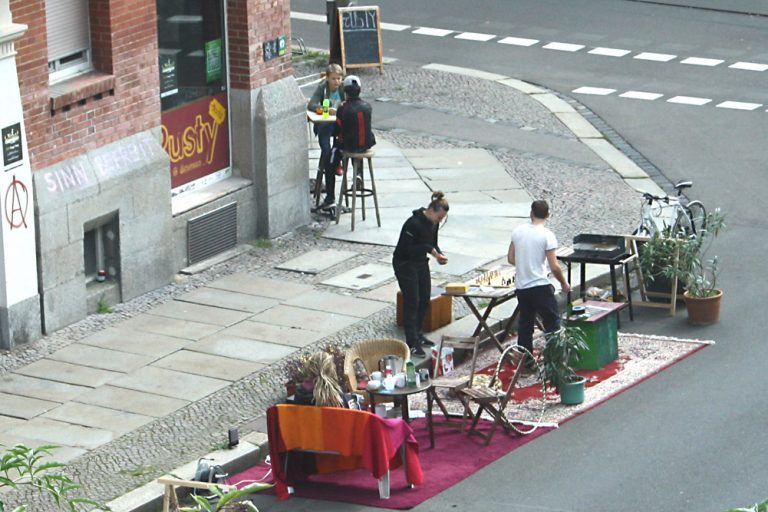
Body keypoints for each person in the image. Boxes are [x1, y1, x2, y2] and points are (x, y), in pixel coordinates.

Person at [507, 200, 571, 368]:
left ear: (531, 212)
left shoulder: (518, 231)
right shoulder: (547, 235)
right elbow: (554, 266)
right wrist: (564, 283)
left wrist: (525, 265)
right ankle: (554, 361)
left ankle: (526, 363)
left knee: (525, 325)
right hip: (540, 286)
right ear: (548, 215)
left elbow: (511, 258)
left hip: (522, 286)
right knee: (552, 322)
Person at [393, 191, 449, 357]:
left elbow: (432, 243)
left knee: (424, 298)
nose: (439, 221)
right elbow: (406, 249)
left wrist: (438, 254)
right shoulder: (413, 224)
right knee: (412, 301)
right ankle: (411, 342)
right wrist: (429, 249)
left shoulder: (433, 224)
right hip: (405, 263)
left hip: (420, 262)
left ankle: (418, 333)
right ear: (432, 210)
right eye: (439, 217)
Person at [307, 64, 345, 210]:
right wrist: (325, 109)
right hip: (324, 124)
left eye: (339, 78)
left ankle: (336, 163)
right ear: (327, 78)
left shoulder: (343, 88)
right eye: (333, 79)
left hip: (338, 125)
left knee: (338, 149)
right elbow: (311, 105)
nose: (336, 82)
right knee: (327, 152)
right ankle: (331, 164)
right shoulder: (322, 88)